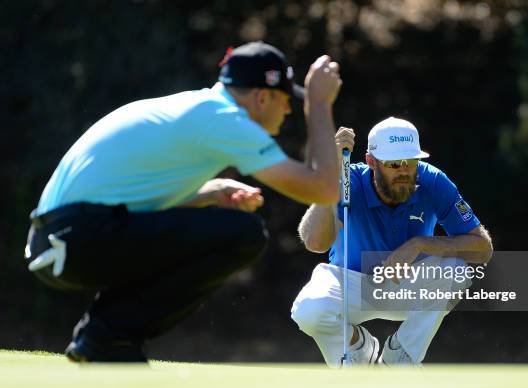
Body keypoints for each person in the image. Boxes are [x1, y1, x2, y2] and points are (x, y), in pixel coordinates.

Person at [24, 41, 342, 363]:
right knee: (243, 234)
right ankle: (108, 337)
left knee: (229, 229)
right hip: (75, 239)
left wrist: (209, 193)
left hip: (54, 240)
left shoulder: (197, 107)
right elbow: (324, 189)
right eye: (286, 100)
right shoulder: (225, 119)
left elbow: (126, 198)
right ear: (262, 97)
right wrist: (318, 105)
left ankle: (106, 337)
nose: (289, 110)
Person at [291, 117, 493, 367]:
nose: (404, 172)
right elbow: (315, 242)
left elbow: (482, 248)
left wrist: (420, 244)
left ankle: (400, 357)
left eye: (411, 163)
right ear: (371, 162)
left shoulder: (432, 181)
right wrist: (330, 176)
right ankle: (358, 348)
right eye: (394, 164)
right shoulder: (348, 180)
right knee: (309, 311)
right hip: (349, 283)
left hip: (406, 284)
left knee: (456, 269)